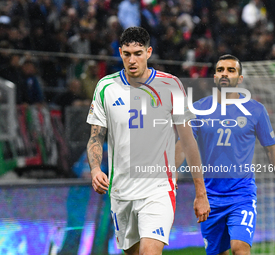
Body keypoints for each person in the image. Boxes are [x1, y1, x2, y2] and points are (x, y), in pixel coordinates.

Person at [86, 26, 210, 255]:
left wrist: (200, 192)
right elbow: (95, 137)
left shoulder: (170, 85)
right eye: (127, 54)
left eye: (138, 53)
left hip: (158, 190)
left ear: (149, 52)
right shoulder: (105, 87)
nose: (132, 60)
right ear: (120, 53)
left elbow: (188, 140)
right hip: (121, 192)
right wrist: (95, 169)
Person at [175, 54, 275, 255]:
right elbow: (184, 144)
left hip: (242, 194)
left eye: (231, 70)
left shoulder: (256, 110)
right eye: (221, 69)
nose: (225, 74)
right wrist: (171, 173)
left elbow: (272, 149)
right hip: (210, 197)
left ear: (240, 79)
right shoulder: (198, 109)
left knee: (240, 249)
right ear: (214, 77)